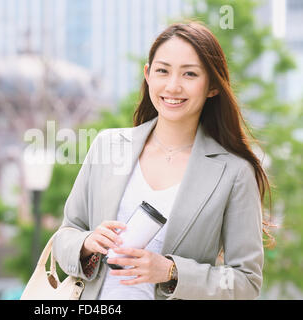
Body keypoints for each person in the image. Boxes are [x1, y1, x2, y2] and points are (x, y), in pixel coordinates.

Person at [52, 21, 274, 300]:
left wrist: (171, 271)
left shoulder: (234, 172)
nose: (173, 86)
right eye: (162, 71)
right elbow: (64, 237)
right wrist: (87, 243)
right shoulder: (107, 146)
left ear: (212, 87)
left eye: (190, 74)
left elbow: (245, 281)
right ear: (148, 75)